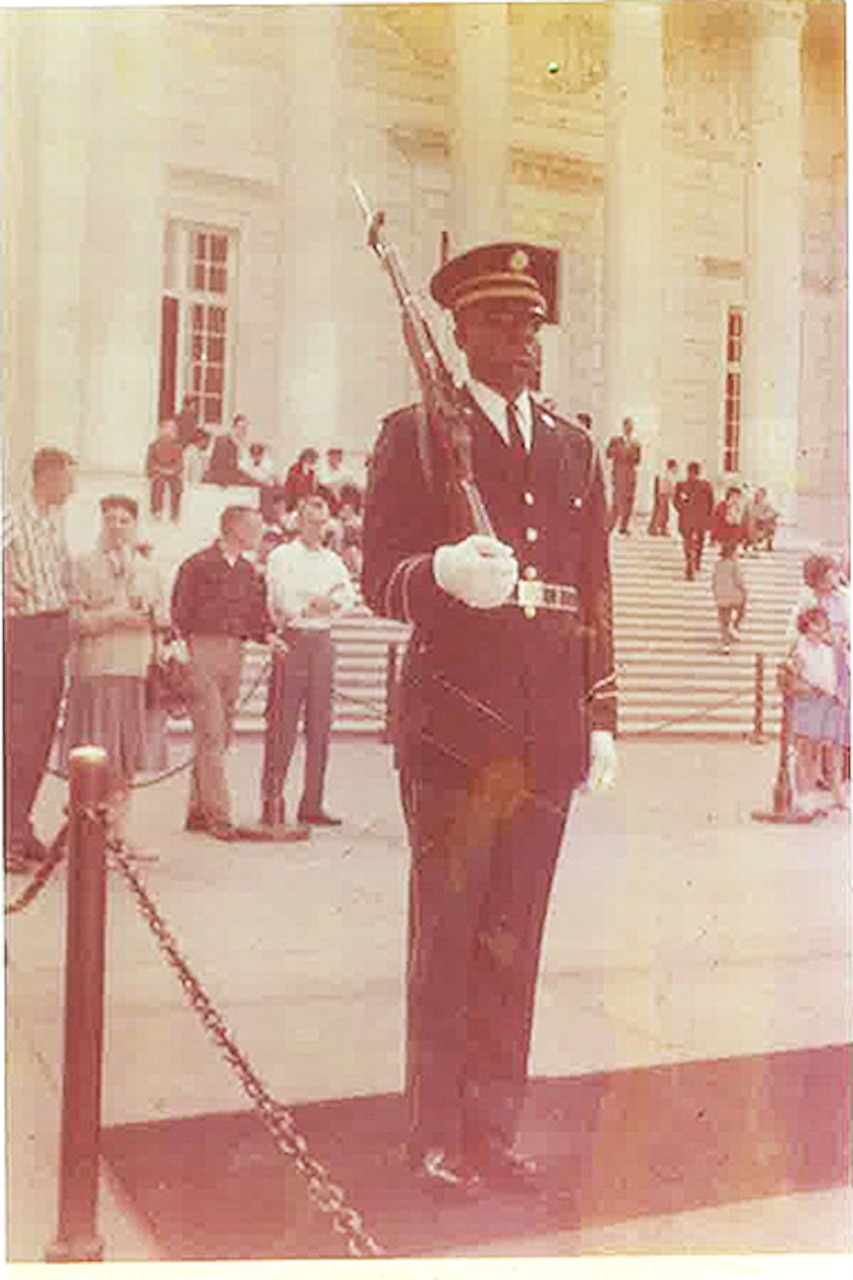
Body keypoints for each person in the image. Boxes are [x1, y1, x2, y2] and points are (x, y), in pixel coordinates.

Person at [361, 241, 618, 1195]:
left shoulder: (570, 446)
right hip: (455, 729)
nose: (524, 340)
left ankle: (491, 1129)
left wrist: (601, 713)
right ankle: (433, 1134)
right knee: (449, 940)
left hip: (543, 729)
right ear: (459, 334)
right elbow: (376, 576)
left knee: (516, 939)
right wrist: (438, 575)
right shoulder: (415, 436)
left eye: (532, 324)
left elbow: (593, 588)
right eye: (502, 324)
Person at [171, 505, 285, 841]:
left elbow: (255, 614)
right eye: (255, 526)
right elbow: (180, 610)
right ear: (234, 527)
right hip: (202, 649)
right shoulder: (197, 565)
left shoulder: (248, 571)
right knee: (211, 732)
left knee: (221, 732)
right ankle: (220, 815)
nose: (259, 533)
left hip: (235, 651)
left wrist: (268, 636)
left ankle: (198, 809)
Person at [62, 495, 167, 848]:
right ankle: (89, 836)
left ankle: (119, 833)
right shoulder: (82, 565)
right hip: (95, 671)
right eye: (111, 519)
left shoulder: (148, 569)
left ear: (135, 524)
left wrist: (152, 621)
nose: (117, 526)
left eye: (124, 519)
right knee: (96, 755)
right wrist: (116, 618)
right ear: (101, 522)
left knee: (126, 757)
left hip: (133, 671)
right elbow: (75, 622)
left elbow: (159, 618)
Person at [261, 494, 355, 830]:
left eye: (322, 522)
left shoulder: (333, 560)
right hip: (294, 639)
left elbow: (347, 597)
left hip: (322, 642)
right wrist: (313, 602)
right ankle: (272, 801)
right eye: (310, 520)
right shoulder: (282, 555)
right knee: (282, 725)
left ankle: (312, 803)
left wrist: (329, 605)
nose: (317, 527)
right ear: (298, 520)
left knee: (320, 726)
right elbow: (282, 597)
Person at [4, 448, 76, 873]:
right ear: (47, 477)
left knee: (39, 735)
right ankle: (8, 833)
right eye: (67, 478)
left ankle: (20, 822)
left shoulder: (54, 522)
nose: (72, 487)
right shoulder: (13, 516)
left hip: (53, 628)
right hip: (24, 630)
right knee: (17, 734)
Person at [788, 605, 847, 811]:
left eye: (823, 624)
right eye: (818, 624)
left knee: (817, 751)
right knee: (805, 749)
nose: (822, 629)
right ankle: (802, 795)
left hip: (826, 702)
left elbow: (831, 676)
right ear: (808, 625)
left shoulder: (826, 650)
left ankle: (810, 794)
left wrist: (836, 693)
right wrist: (809, 688)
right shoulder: (799, 648)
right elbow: (792, 679)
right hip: (808, 701)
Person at [673, 460, 715, 581]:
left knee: (690, 542)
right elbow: (711, 504)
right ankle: (693, 563)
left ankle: (692, 562)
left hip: (689, 518)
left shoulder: (683, 485)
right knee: (696, 542)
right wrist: (709, 518)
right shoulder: (705, 486)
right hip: (698, 519)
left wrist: (682, 509)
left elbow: (676, 502)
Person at [203, 414, 263, 487]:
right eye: (241, 428)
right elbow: (222, 468)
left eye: (245, 428)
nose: (243, 431)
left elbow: (248, 467)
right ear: (234, 428)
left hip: (237, 480)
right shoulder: (223, 442)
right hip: (224, 483)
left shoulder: (242, 445)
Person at [606, 416, 641, 534]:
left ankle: (623, 527)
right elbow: (608, 454)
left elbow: (638, 460)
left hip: (630, 475)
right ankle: (609, 525)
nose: (629, 429)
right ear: (623, 427)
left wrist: (630, 452)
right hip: (619, 474)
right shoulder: (616, 440)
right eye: (627, 426)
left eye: (631, 427)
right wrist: (621, 451)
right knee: (616, 501)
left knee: (629, 501)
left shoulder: (636, 443)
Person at [711, 541, 747, 654]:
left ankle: (725, 643)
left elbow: (714, 580)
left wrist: (715, 592)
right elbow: (738, 580)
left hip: (721, 595)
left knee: (724, 621)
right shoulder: (734, 564)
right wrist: (744, 591)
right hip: (733, 595)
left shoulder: (718, 565)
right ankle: (733, 629)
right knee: (741, 612)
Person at [146, 418, 184, 522]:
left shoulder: (177, 447)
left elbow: (179, 464)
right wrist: (158, 470)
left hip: (172, 473)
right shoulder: (153, 446)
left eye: (172, 429)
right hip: (158, 472)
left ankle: (175, 512)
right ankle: (156, 510)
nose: (168, 432)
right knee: (158, 484)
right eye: (166, 429)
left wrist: (172, 471)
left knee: (177, 486)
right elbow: (150, 463)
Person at [710, 485, 748, 555]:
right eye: (734, 496)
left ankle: (736, 546)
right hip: (724, 531)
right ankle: (724, 548)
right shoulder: (722, 505)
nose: (735, 499)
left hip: (735, 532)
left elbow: (741, 521)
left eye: (737, 497)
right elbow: (719, 519)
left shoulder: (739, 507)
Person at [647, 459, 679, 536]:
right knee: (663, 513)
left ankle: (655, 528)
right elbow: (667, 487)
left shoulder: (665, 474)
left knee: (659, 512)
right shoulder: (667, 475)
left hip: (662, 495)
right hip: (663, 495)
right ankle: (660, 529)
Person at [744, 486, 779, 553]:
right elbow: (750, 514)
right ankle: (753, 542)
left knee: (772, 521)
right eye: (757, 495)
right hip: (750, 523)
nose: (758, 497)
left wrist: (766, 517)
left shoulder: (766, 504)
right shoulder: (750, 504)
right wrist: (758, 517)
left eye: (760, 495)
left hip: (761, 523)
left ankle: (769, 543)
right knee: (752, 521)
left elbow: (774, 512)